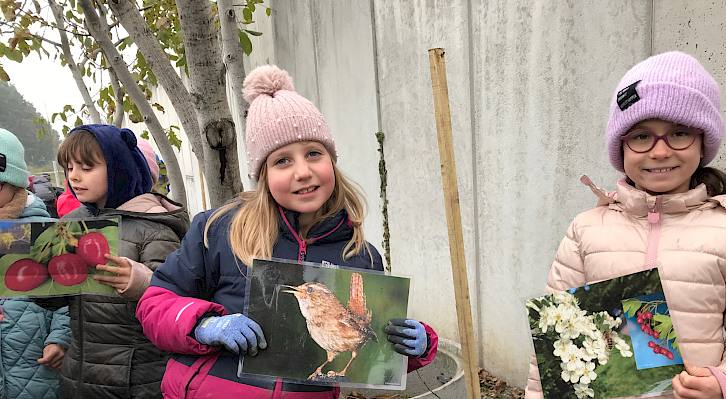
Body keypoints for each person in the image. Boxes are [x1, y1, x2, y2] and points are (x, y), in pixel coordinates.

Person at [136, 65, 438, 398]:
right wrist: (203, 325)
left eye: (313, 153)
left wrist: (413, 346)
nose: (303, 172)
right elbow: (155, 304)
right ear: (262, 174)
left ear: (331, 161)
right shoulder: (220, 229)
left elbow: (373, 352)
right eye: (282, 161)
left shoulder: (360, 255)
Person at [527, 52, 726, 399]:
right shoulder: (586, 230)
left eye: (679, 133)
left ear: (703, 142)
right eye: (642, 136)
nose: (660, 152)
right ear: (621, 146)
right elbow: (553, 341)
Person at [56, 124, 189, 398]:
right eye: (69, 168)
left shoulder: (154, 229)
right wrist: (42, 276)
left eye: (86, 167)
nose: (75, 177)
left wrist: (143, 284)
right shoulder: (69, 225)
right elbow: (57, 300)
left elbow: (180, 300)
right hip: (79, 376)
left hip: (137, 380)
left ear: (119, 168)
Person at [0, 128, 70, 399]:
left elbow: (69, 295)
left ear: (16, 182)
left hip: (36, 366)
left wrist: (60, 339)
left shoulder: (48, 233)